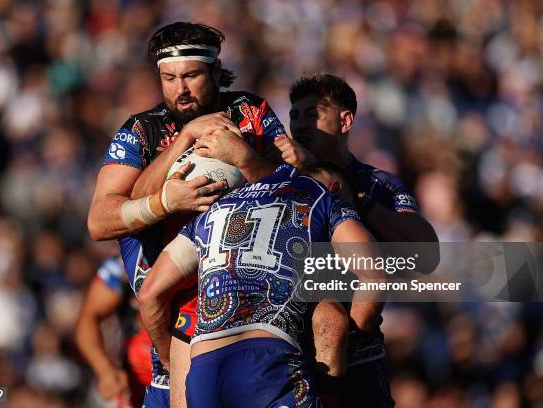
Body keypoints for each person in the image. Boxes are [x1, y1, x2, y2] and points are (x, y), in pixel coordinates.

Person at [87, 22, 285, 407]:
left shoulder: (251, 112)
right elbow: (100, 220)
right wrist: (183, 146)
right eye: (169, 78)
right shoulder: (141, 131)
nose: (181, 88)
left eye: (191, 75)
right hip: (173, 316)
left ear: (214, 70)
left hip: (247, 303)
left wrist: (246, 158)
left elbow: (293, 194)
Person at [138, 162, 385, 407]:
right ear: (335, 187)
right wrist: (353, 341)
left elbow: (150, 294)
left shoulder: (212, 212)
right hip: (268, 363)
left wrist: (168, 362)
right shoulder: (322, 197)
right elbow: (374, 274)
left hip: (203, 373)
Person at [274, 73, 439, 406]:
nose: (301, 124)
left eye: (313, 114)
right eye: (295, 115)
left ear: (345, 120)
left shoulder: (379, 185)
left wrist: (353, 196)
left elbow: (426, 256)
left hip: (360, 354)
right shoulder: (275, 181)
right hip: (287, 347)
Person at [75, 256, 151, 407]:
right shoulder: (124, 264)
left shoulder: (200, 250)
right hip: (138, 384)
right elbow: (89, 316)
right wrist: (104, 369)